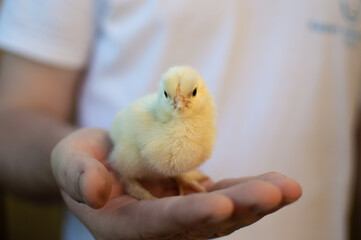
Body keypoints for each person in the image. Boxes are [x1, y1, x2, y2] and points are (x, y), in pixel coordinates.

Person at [0, 0, 358, 239]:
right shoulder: (147, 122)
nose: (179, 106)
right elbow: (11, 119)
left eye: (189, 97)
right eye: (172, 98)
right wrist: (77, 163)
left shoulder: (198, 124)